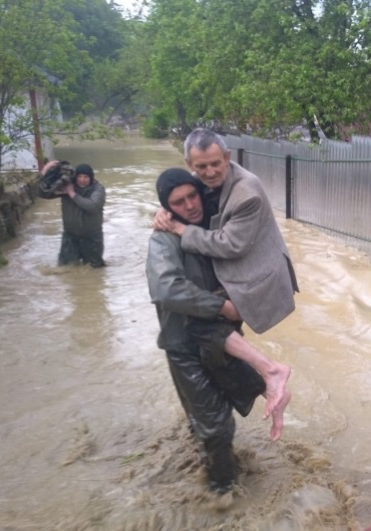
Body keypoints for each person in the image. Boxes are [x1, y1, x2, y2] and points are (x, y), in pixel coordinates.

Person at [147, 168, 288, 493]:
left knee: (229, 404)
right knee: (216, 426)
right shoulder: (163, 240)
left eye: (193, 195)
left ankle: (212, 462)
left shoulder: (216, 226)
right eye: (178, 202)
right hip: (185, 347)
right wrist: (222, 307)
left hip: (221, 340)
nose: (190, 206)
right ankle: (222, 493)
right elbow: (167, 290)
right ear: (167, 208)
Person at [153, 128, 299, 420]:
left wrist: (181, 229)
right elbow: (184, 195)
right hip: (235, 271)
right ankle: (268, 385)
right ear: (190, 165)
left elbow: (230, 244)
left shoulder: (247, 193)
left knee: (203, 322)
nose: (209, 172)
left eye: (215, 164)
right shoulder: (199, 183)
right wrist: (163, 210)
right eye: (201, 166)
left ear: (228, 157)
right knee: (212, 337)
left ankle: (272, 372)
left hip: (256, 277)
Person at [37, 160, 106, 267]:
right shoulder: (67, 185)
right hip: (70, 237)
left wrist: (72, 194)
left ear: (91, 178)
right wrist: (45, 170)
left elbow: (93, 206)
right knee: (66, 269)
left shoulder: (97, 189)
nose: (82, 180)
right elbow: (42, 193)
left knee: (95, 270)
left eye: (86, 177)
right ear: (75, 177)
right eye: (79, 177)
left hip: (92, 238)